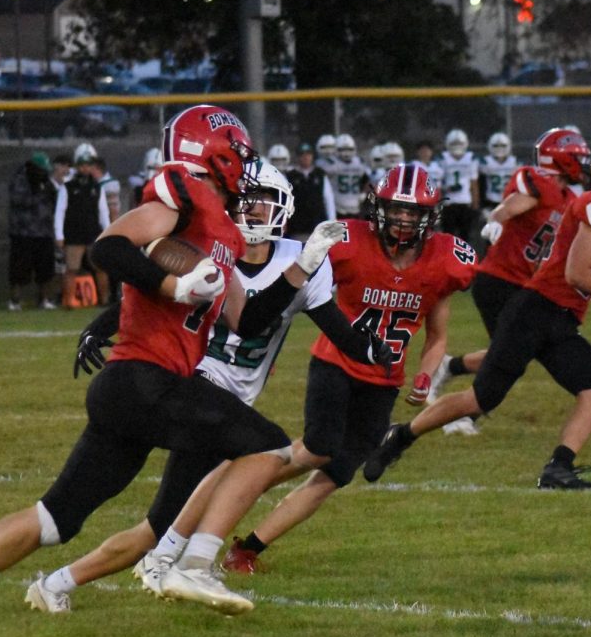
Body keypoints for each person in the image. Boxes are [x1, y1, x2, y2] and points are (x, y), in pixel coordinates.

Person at [0, 105, 346, 637]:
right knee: (271, 446)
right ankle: (198, 565)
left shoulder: (223, 230)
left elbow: (246, 320)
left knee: (55, 520)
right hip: (144, 378)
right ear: (214, 152)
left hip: (138, 391)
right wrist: (175, 287)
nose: (246, 168)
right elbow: (111, 246)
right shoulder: (184, 190)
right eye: (239, 154)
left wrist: (301, 269)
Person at [24, 160, 394, 611]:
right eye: (245, 202)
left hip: (232, 403)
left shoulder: (296, 262)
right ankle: (182, 564)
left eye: (263, 204)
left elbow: (329, 329)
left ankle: (62, 583)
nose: (253, 213)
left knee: (159, 526)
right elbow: (157, 294)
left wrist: (369, 349)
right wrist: (104, 325)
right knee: (193, 499)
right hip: (197, 389)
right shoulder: (215, 246)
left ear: (282, 210)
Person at [217, 162, 475, 573]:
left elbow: (437, 335)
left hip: (385, 379)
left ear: (430, 216)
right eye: (397, 209)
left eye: (413, 212)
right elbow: (299, 286)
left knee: (336, 473)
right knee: (318, 447)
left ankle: (247, 549)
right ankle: (225, 500)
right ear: (378, 206)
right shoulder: (349, 243)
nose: (404, 219)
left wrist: (426, 376)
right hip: (335, 361)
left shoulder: (445, 261)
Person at [363, 142, 591, 490]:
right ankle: (401, 436)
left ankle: (558, 468)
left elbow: (579, 269)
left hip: (560, 319)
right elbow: (577, 273)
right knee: (480, 399)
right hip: (534, 312)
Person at [431, 127, 591, 437]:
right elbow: (510, 205)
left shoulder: (570, 199)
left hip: (527, 286)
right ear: (561, 160)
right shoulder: (543, 185)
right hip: (499, 281)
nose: (584, 164)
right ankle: (461, 411)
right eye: (579, 158)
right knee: (509, 357)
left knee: (512, 354)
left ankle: (451, 371)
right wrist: (497, 221)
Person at [54, 147, 110, 305]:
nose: (85, 168)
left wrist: (108, 233)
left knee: (100, 268)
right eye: (82, 164)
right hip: (74, 234)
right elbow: (60, 212)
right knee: (71, 269)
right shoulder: (68, 187)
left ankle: (104, 300)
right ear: (77, 166)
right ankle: (69, 301)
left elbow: (103, 213)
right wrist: (59, 235)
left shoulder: (98, 187)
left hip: (94, 234)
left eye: (88, 164)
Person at [7, 152, 59, 311]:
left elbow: (54, 199)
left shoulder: (45, 182)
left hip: (44, 232)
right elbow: (19, 201)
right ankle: (15, 300)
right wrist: (38, 192)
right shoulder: (20, 180)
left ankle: (44, 299)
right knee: (19, 269)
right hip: (23, 233)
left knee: (45, 269)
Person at [285, 142, 335, 240]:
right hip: (297, 227)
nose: (305, 157)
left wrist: (332, 221)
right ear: (298, 157)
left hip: (318, 227)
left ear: (312, 156)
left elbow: (328, 199)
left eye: (308, 154)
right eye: (302, 154)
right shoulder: (291, 176)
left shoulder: (320, 175)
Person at [439, 129, 480, 244]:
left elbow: (474, 183)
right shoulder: (443, 159)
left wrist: (475, 204)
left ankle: (463, 261)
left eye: (459, 144)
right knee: (447, 237)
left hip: (465, 202)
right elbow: (439, 182)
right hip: (448, 203)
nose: (457, 146)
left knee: (465, 238)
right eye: (454, 144)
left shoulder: (470, 158)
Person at [328, 134, 369, 218]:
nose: (346, 153)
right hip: (338, 207)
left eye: (349, 149)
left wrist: (363, 194)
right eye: (343, 150)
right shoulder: (330, 163)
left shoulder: (359, 162)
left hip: (355, 206)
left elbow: (367, 180)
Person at [479, 132, 517, 217]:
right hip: (492, 201)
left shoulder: (514, 163)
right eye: (496, 146)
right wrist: (483, 205)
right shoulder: (486, 163)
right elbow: (481, 185)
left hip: (509, 200)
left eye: (502, 146)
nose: (499, 149)